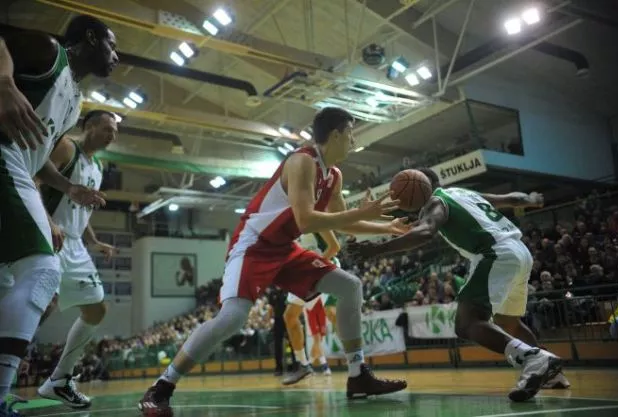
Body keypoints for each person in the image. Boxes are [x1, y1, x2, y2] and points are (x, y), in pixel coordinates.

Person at [138, 107, 409, 416]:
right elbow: (306, 220)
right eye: (350, 134)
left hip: (284, 247)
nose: (353, 140)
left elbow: (343, 222)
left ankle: (358, 374)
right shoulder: (302, 161)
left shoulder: (334, 175)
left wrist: (386, 227)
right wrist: (361, 213)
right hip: (254, 243)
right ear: (335, 135)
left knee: (350, 286)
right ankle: (161, 387)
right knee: (232, 319)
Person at [347, 168, 565, 402]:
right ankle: (552, 375)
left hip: (495, 254)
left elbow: (426, 231)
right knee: (508, 322)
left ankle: (533, 358)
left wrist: (376, 249)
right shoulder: (463, 193)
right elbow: (510, 199)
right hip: (520, 252)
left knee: (467, 322)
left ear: (423, 186)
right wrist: (531, 199)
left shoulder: (435, 201)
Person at [0, 15, 117, 417]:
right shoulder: (49, 53)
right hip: (6, 158)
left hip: (21, 166)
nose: (116, 56)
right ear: (91, 38)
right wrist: (4, 83)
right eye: (112, 45)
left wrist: (68, 187)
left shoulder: (74, 99)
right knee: (42, 271)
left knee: (9, 285)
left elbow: (38, 155)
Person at [34, 110, 119, 409]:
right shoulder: (67, 147)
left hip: (74, 244)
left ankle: (59, 380)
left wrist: (92, 240)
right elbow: (33, 181)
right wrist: (48, 223)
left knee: (96, 309)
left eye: (115, 132)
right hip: (49, 234)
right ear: (89, 126)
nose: (112, 136)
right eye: (107, 129)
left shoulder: (97, 166)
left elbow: (82, 207)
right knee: (42, 305)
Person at [282, 230, 340, 385]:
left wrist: (314, 268)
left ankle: (357, 362)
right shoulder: (287, 227)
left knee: (332, 313)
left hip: (326, 266)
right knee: (289, 316)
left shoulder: (316, 220)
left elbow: (334, 247)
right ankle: (304, 365)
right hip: (305, 273)